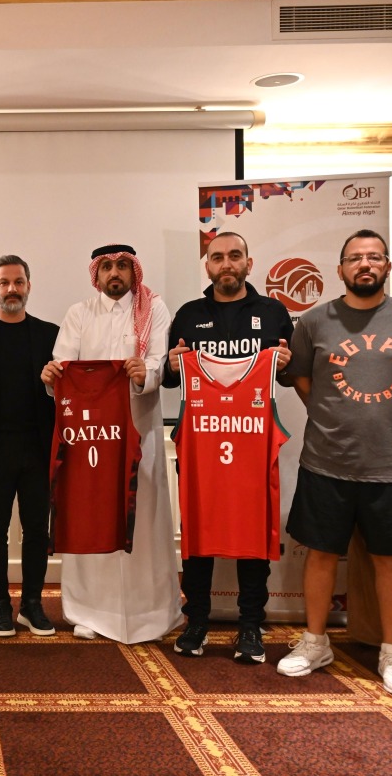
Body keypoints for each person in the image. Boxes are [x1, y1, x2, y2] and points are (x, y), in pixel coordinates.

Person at [276, 229, 392, 696]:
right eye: (355, 258)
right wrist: (336, 416)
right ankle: (315, 642)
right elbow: (303, 383)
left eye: (374, 257)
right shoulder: (313, 322)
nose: (364, 265)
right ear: (340, 269)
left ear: (387, 266)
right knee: (321, 554)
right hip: (326, 461)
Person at [163, 231, 294, 664]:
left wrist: (287, 366)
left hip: (252, 445)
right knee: (198, 536)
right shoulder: (187, 315)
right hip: (202, 446)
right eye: (217, 257)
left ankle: (250, 627)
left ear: (249, 263)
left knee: (253, 539)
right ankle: (196, 620)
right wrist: (170, 363)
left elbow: (287, 379)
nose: (226, 264)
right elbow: (170, 379)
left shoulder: (274, 313)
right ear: (207, 266)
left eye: (234, 256)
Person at [41, 243, 180, 644]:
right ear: (96, 274)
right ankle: (88, 610)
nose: (114, 273)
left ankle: (151, 611)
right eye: (107, 267)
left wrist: (144, 372)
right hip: (90, 440)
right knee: (91, 513)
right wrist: (53, 378)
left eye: (122, 266)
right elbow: (63, 370)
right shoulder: (78, 313)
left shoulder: (153, 310)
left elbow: (158, 361)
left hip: (140, 434)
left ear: (134, 271)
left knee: (142, 515)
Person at [0, 255, 59, 637]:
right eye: (4, 282)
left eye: (18, 282)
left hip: (39, 447)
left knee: (38, 529)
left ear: (28, 286)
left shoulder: (50, 334)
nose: (12, 289)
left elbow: (66, 392)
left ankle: (32, 604)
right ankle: (0, 606)